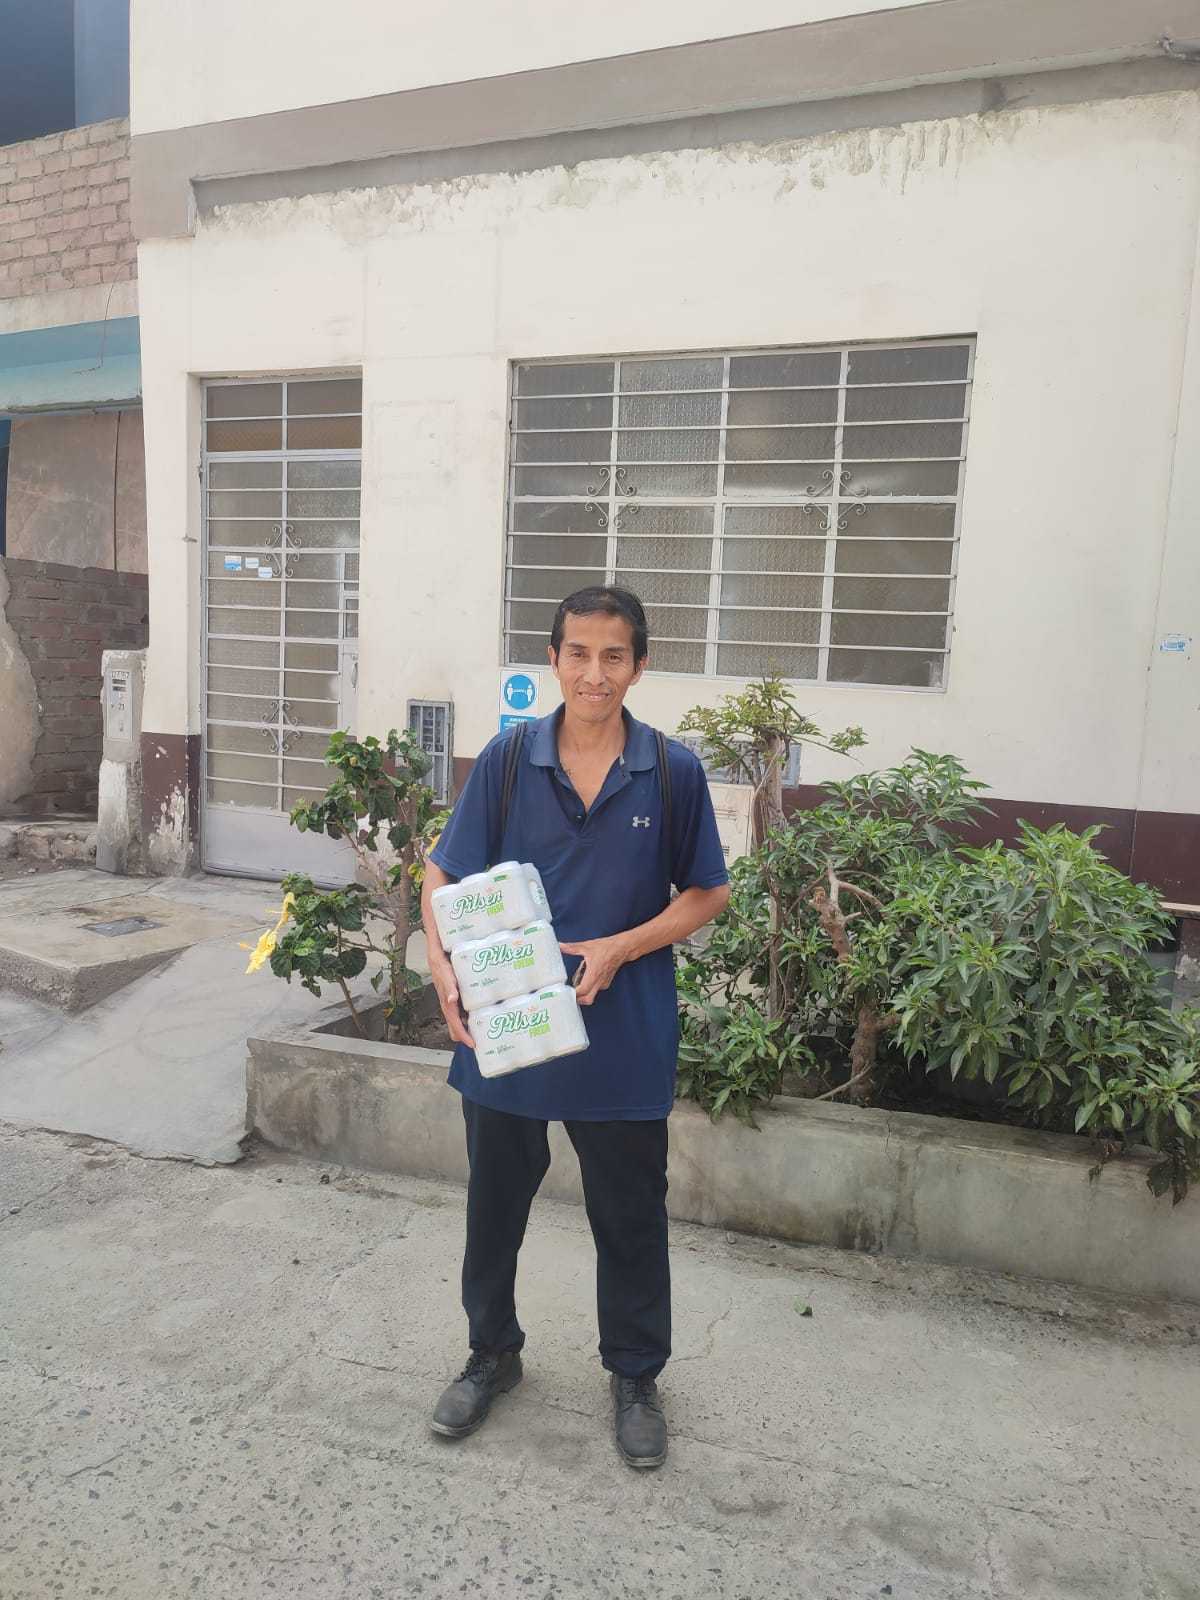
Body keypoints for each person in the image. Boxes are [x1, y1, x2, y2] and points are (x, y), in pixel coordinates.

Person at [421, 585, 730, 1469]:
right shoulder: (508, 761)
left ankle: (635, 1376)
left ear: (639, 665)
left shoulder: (670, 770)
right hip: (507, 1031)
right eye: (579, 654)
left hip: (623, 1036)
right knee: (493, 1208)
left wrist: (623, 946)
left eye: (614, 656)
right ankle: (491, 1353)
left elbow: (708, 892)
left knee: (630, 1216)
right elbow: (443, 874)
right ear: (553, 659)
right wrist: (442, 965)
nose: (596, 673)